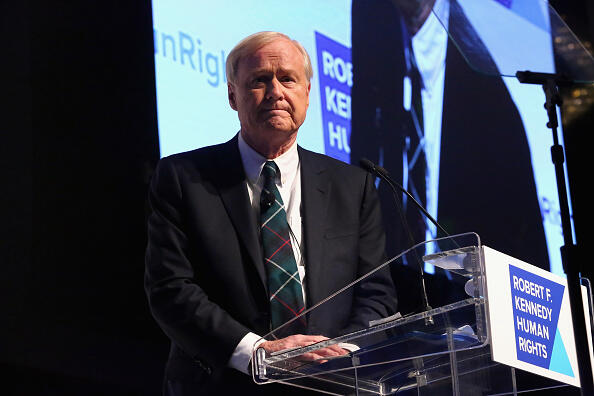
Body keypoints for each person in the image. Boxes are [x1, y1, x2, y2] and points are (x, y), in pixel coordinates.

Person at [145, 31, 397, 395]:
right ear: (233, 95)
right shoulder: (183, 178)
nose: (276, 92)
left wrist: (339, 354)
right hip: (224, 384)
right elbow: (170, 287)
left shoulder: (352, 186)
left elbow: (376, 294)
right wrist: (257, 352)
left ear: (307, 93)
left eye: (288, 79)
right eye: (259, 81)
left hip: (330, 385)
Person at [350, 0, 549, 283]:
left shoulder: (491, 103)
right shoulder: (373, 32)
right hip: (394, 295)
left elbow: (527, 255)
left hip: (473, 301)